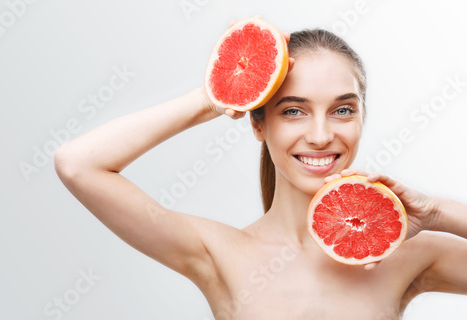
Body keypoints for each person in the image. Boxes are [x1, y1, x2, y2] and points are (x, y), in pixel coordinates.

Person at [54, 19, 467, 319]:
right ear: (257, 122)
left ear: (361, 118)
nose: (321, 135)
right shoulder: (219, 253)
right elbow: (78, 165)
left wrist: (438, 213)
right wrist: (214, 97)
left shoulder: (407, 255)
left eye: (342, 109)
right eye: (293, 111)